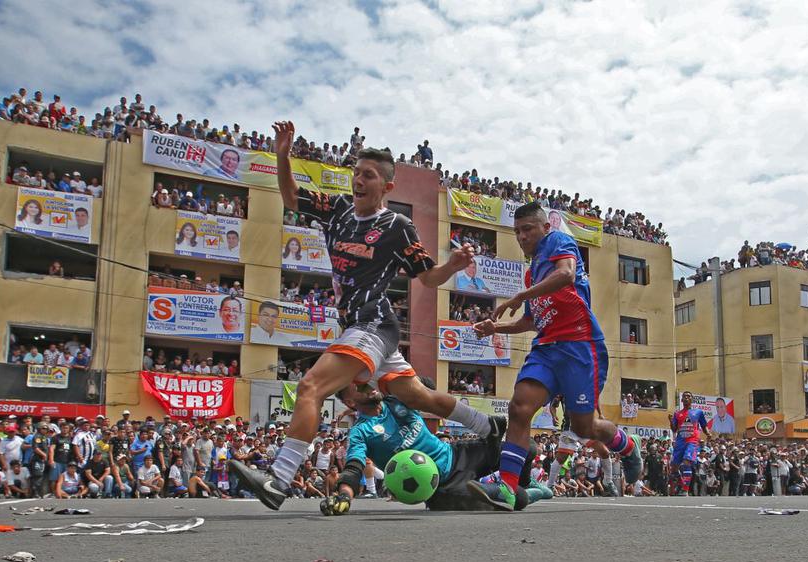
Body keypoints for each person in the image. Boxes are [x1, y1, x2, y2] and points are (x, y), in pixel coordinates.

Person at [230, 121, 502, 511]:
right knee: (417, 396)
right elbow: (291, 198)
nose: (358, 180)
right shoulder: (338, 208)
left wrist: (454, 264)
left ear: (386, 187)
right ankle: (488, 425)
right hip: (361, 326)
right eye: (356, 173)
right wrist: (283, 155)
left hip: (373, 323)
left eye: (368, 176)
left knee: (310, 388)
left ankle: (279, 480)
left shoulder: (397, 226)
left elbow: (427, 277)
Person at [468, 202, 642, 510]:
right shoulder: (531, 274)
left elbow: (566, 275)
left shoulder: (558, 241)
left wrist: (522, 294)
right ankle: (507, 486)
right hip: (546, 347)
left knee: (584, 428)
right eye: (517, 231)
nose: (522, 237)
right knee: (519, 408)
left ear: (545, 227)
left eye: (528, 229)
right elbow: (529, 322)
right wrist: (494, 327)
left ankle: (628, 446)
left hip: (579, 344)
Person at [318, 383, 535, 515]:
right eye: (356, 385)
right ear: (349, 400)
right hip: (442, 487)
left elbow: (423, 386)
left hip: (457, 454)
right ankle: (509, 490)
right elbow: (354, 466)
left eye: (363, 378)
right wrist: (344, 497)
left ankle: (522, 480)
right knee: (520, 499)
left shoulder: (396, 400)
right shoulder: (360, 431)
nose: (364, 383)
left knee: (529, 448)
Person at [669, 391, 712, 495]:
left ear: (692, 399)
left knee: (686, 462)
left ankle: (685, 489)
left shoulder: (698, 412)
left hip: (692, 441)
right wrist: (671, 421)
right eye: (684, 396)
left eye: (689, 396)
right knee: (674, 468)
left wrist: (708, 433)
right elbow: (674, 429)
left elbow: (703, 425)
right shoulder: (677, 414)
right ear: (682, 400)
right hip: (680, 441)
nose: (686, 398)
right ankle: (682, 483)